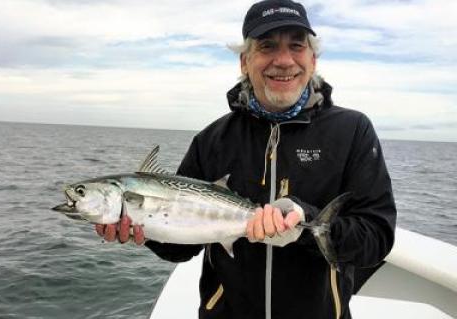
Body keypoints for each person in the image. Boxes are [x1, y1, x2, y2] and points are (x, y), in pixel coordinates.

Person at [96, 0, 397, 318]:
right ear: (244, 61)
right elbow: (180, 247)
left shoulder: (352, 130)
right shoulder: (212, 140)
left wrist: (303, 224)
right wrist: (142, 227)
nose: (283, 60)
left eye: (296, 45)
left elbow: (376, 237)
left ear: (313, 58)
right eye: (267, 46)